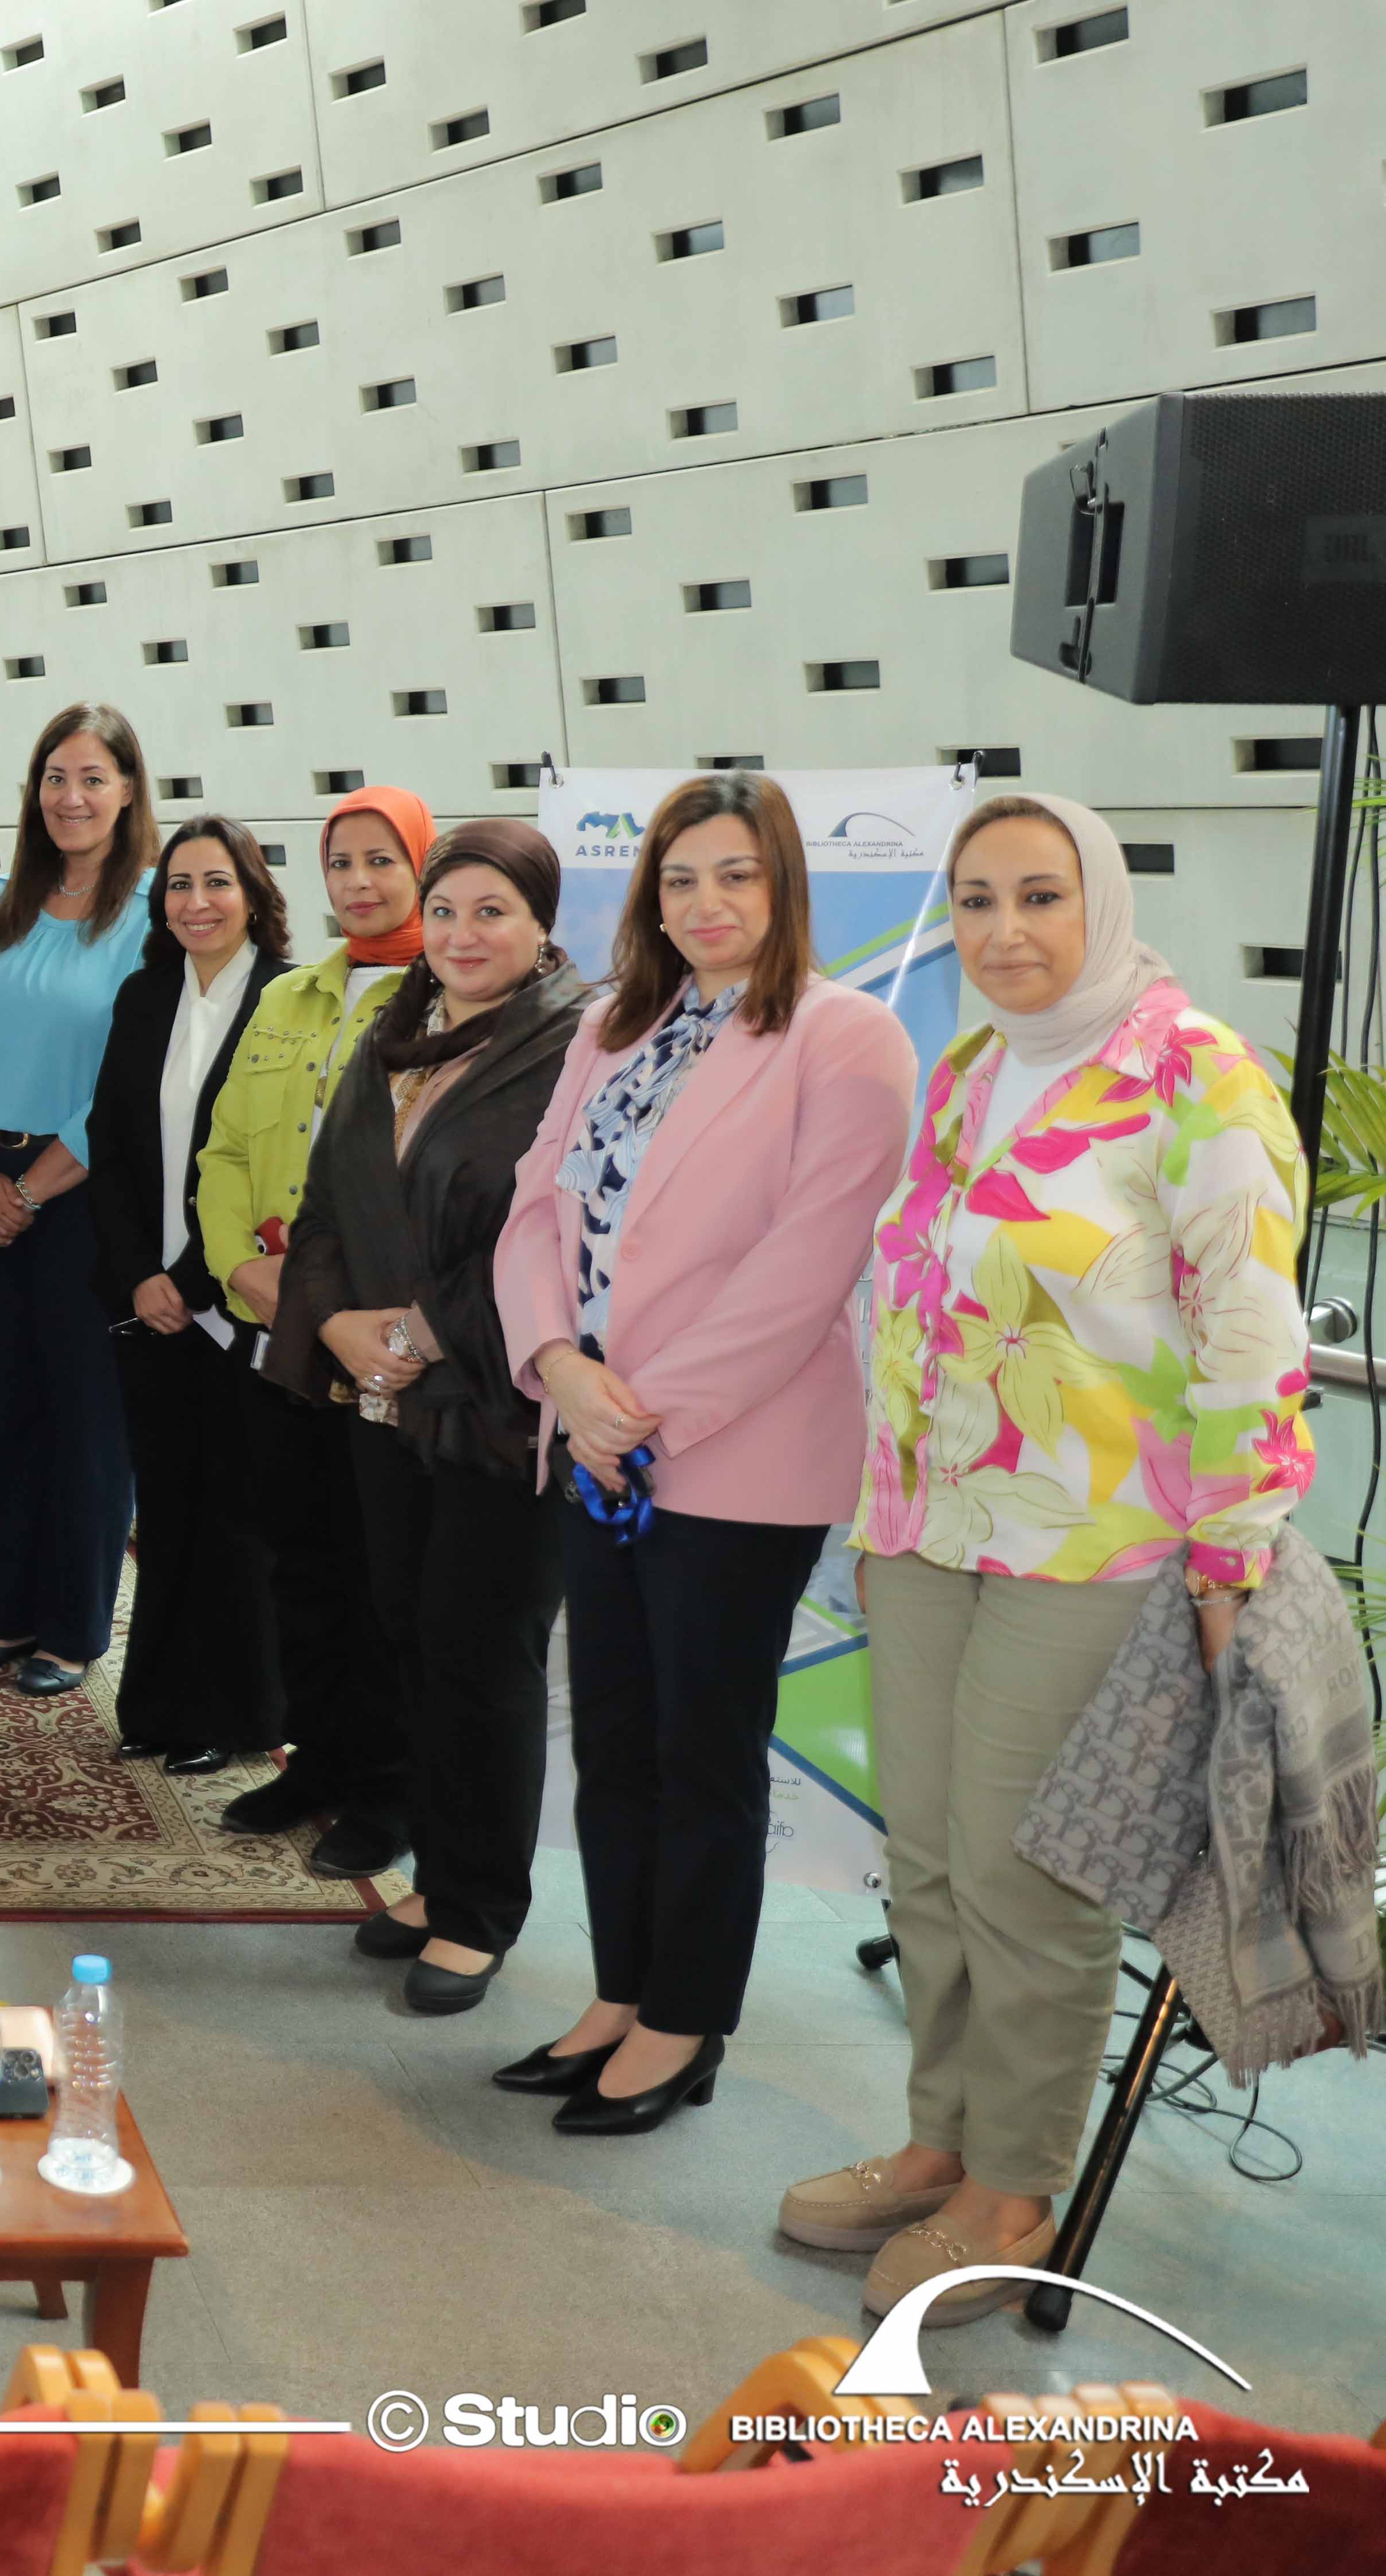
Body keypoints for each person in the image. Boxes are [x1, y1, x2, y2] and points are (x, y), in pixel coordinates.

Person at [784, 793, 1310, 2323]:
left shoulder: (1194, 1071)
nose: (1003, 929)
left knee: (1028, 1877)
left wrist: (1231, 1551)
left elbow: (1248, 1324)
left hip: (1092, 1541)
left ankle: (1014, 2189)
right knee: (932, 1862)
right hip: (924, 1527)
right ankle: (938, 2141)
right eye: (974, 899)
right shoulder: (968, 1068)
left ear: (1102, 903)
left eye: (1038, 895)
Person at [485, 776, 919, 2132]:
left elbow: (804, 1268)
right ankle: (619, 1993)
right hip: (594, 1441)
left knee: (704, 1754)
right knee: (614, 1743)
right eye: (679, 879)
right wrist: (560, 1369)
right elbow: (533, 1210)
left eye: (735, 874)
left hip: (737, 1460)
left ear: (784, 885)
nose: (705, 902)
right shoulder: (614, 1026)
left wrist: (640, 1410)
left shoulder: (847, 1038)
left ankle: (684, 2023)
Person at [268, 818, 584, 2018]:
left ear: (541, 925)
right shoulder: (392, 1032)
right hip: (382, 1400)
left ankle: (481, 1910)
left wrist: (415, 1334)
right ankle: (441, 1876)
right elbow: (326, 1205)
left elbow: (557, 1231)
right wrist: (339, 1325)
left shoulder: (576, 1045)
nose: (461, 934)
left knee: (481, 1652)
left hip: (500, 1403)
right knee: (406, 1630)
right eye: (445, 910)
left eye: (491, 911)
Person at [192, 786, 433, 1875]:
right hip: (280, 1337)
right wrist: (239, 1266)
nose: (360, 881)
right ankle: (317, 1761)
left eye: (382, 859)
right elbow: (224, 1151)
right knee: (301, 1560)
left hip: (383, 1347)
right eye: (342, 862)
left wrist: (333, 1303)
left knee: (387, 1575)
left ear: (422, 867)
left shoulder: (451, 998)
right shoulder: (291, 995)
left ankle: (389, 1791)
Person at [0, 705, 156, 1695]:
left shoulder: (150, 911)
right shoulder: (4, 900)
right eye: (55, 777)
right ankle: (15, 1614)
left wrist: (30, 1187)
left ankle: (73, 1630)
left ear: (128, 791)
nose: (71, 797)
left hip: (83, 1195)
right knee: (3, 1407)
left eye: (92, 778)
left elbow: (129, 1079)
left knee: (84, 1416)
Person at [82, 815, 286, 1772]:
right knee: (163, 1510)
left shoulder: (285, 999)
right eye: (178, 885)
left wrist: (196, 1278)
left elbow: (269, 1168)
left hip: (237, 1301)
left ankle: (234, 1715)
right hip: (147, 1300)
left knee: (237, 1515)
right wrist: (140, 1275)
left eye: (216, 883)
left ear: (252, 894)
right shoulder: (143, 995)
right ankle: (158, 1706)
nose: (196, 903)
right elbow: (110, 1143)